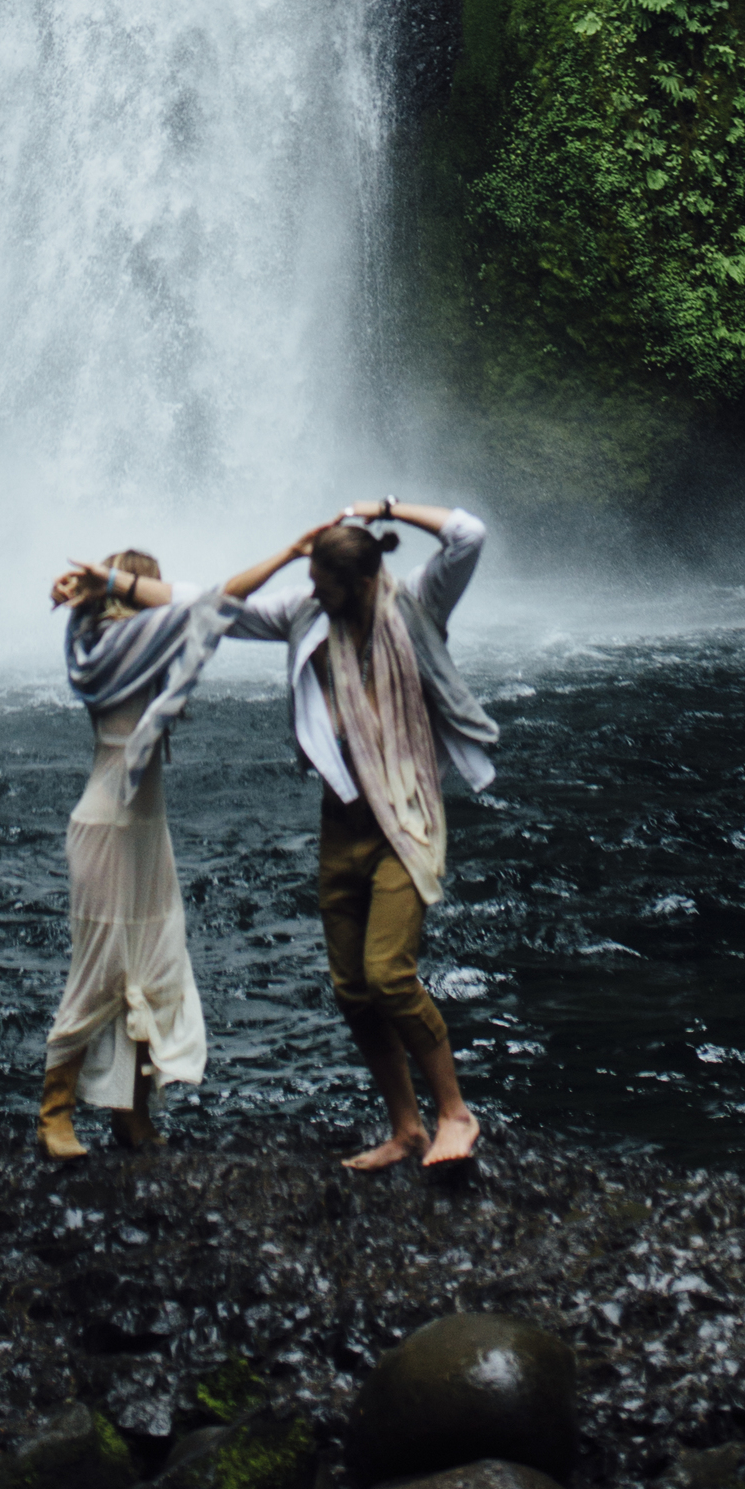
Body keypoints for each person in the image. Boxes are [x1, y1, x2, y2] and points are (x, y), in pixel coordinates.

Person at [221, 497, 498, 1173]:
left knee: (388, 974)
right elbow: (219, 611)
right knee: (352, 987)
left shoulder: (419, 603)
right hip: (340, 820)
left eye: (327, 585)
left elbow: (468, 534)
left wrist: (388, 507)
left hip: (406, 817)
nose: (316, 597)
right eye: (311, 585)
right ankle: (405, 1130)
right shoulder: (306, 609)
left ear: (365, 580)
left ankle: (455, 1115)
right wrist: (290, 554)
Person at [36, 547, 232, 1164]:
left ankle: (133, 1114)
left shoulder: (139, 646)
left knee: (154, 964)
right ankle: (55, 1114)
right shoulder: (116, 645)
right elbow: (200, 605)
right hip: (107, 826)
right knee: (97, 973)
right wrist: (97, 592)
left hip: (146, 826)